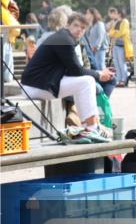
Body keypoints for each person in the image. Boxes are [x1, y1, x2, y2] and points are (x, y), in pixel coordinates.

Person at [20, 13, 115, 141]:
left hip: (41, 84)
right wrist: (99, 74)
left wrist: (99, 73)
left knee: (85, 82)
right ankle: (92, 127)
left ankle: (90, 126)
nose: (79, 30)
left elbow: (73, 70)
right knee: (87, 82)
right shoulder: (64, 39)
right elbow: (76, 70)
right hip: (34, 87)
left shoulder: (65, 38)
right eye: (76, 25)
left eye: (82, 28)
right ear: (67, 25)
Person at [107, 7, 133, 87]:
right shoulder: (116, 22)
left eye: (116, 13)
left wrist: (114, 33)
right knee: (116, 63)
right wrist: (115, 32)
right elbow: (110, 33)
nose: (115, 15)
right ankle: (118, 79)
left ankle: (124, 80)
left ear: (120, 14)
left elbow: (122, 32)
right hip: (115, 45)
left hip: (122, 45)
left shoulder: (125, 21)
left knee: (122, 63)